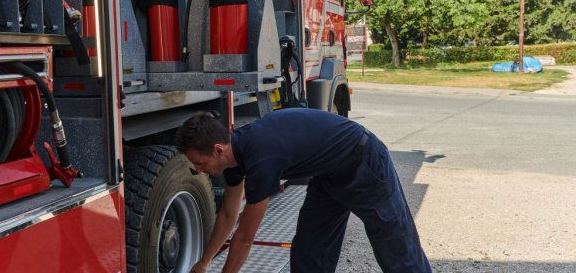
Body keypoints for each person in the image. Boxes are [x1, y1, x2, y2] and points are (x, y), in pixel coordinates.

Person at [175, 108, 430, 273]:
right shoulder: (233, 158)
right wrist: (204, 261)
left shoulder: (261, 160)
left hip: (364, 160)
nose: (198, 170)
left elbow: (244, 237)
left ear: (218, 149)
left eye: (200, 163)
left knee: (396, 247)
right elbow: (228, 215)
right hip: (328, 174)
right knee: (310, 253)